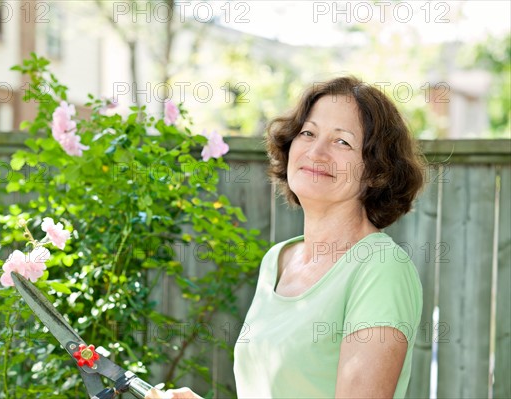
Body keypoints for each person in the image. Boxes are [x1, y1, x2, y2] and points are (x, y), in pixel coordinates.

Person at [146, 76, 425, 398]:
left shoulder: (380, 268)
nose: (316, 152)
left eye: (342, 141)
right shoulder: (278, 261)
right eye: (308, 133)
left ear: (376, 171)